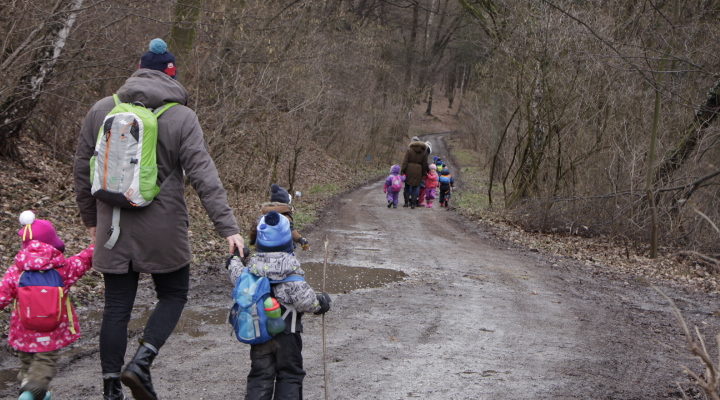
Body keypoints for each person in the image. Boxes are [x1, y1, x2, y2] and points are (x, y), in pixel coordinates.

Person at [73, 38, 244, 400]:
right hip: (163, 230)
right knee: (174, 294)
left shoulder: (101, 110)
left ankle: (110, 389)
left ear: (138, 70)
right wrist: (228, 227)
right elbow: (203, 175)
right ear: (172, 76)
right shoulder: (182, 117)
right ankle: (142, 362)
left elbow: (81, 171)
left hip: (112, 227)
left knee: (116, 308)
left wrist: (91, 221)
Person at [228, 211, 331, 400]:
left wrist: (235, 259)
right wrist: (321, 303)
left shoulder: (251, 269)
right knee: (290, 375)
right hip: (287, 335)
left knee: (260, 375)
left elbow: (236, 275)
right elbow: (306, 301)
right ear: (288, 242)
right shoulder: (291, 271)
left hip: (259, 331)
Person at [0, 211, 95, 400]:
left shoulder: (15, 272)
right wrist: (99, 244)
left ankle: (34, 390)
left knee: (27, 366)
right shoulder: (63, 269)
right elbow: (84, 260)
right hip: (52, 332)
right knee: (42, 368)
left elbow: (2, 296)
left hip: (23, 332)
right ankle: (32, 392)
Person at [248, 184, 309, 251]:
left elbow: (254, 230)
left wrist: (252, 242)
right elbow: (291, 230)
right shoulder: (285, 216)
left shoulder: (262, 215)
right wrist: (300, 239)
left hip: (263, 248)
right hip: (282, 248)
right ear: (286, 201)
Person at [401, 136, 429, 209]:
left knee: (407, 186)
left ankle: (406, 202)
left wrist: (402, 170)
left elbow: (405, 161)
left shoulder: (409, 150)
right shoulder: (424, 152)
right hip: (418, 171)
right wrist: (422, 174)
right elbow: (424, 164)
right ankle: (413, 204)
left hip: (409, 170)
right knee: (415, 187)